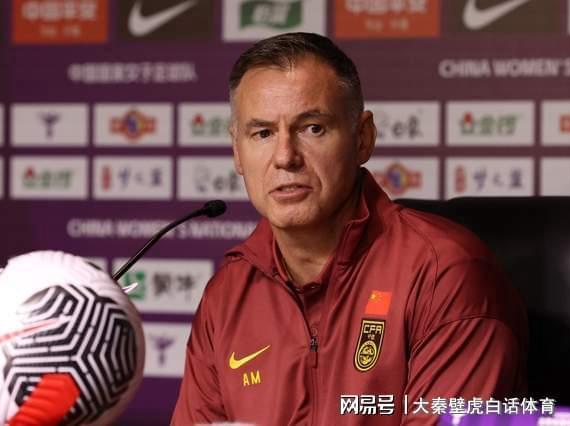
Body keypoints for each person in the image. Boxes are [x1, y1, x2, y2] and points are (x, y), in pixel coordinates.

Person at [171, 32, 528, 425]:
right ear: (237, 152)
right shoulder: (227, 294)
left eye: (312, 128)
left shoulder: (444, 274)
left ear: (363, 138)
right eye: (263, 133)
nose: (285, 157)